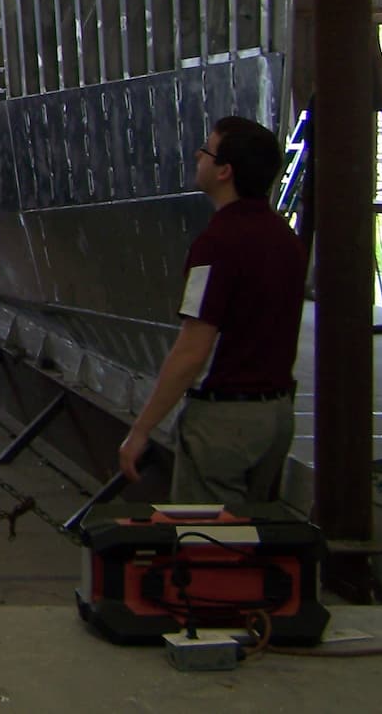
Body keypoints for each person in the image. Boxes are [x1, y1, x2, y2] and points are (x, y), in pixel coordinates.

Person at [118, 116, 309, 503]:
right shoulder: (285, 239)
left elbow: (193, 348)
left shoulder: (216, 245)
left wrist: (142, 428)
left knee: (211, 546)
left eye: (205, 150)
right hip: (275, 415)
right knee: (252, 536)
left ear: (224, 171)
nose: (197, 155)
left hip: (224, 421)